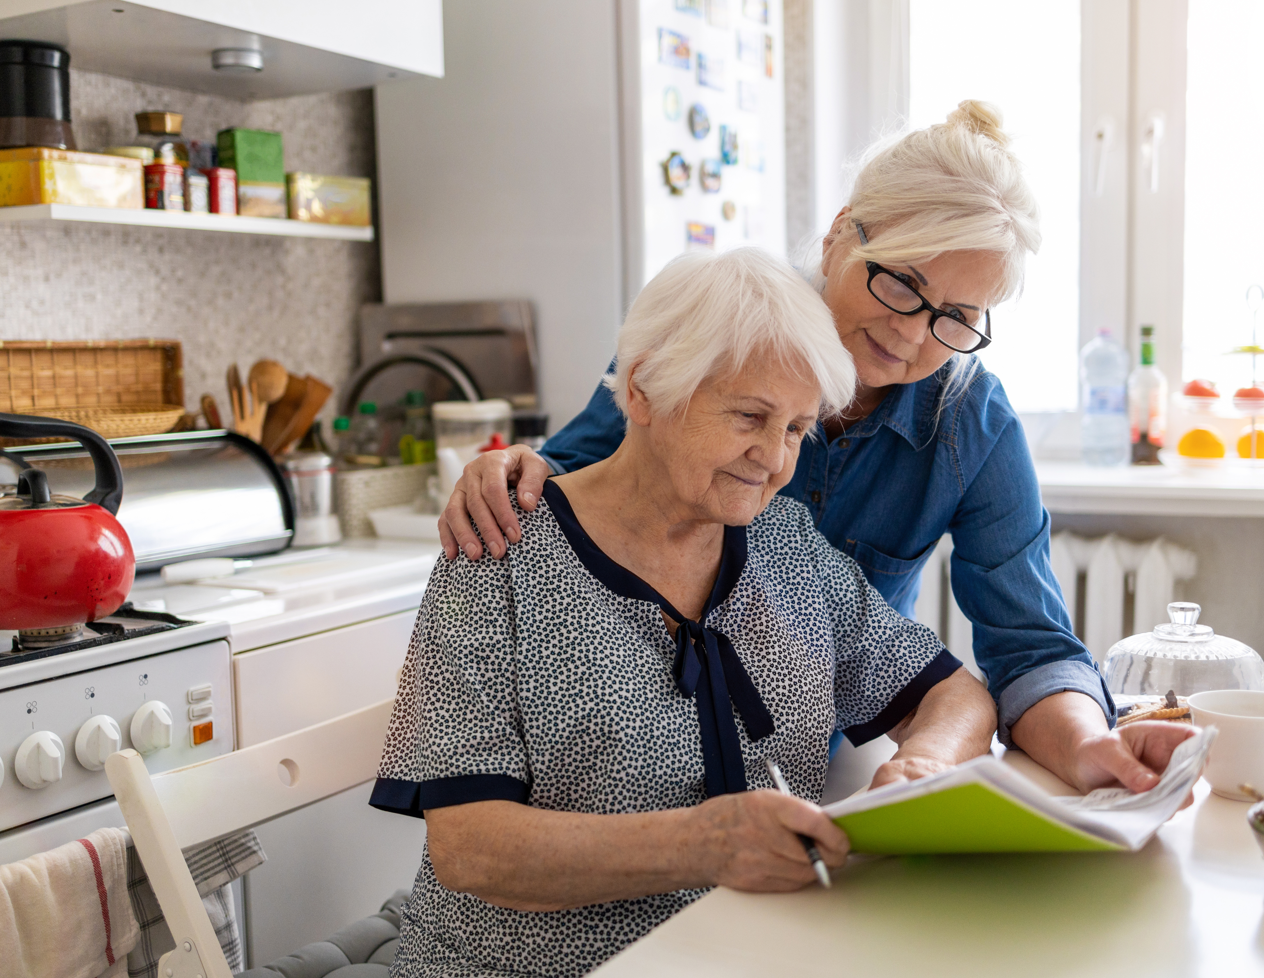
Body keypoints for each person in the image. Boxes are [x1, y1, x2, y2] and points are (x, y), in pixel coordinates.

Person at [438, 101, 1194, 795]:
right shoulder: (715, 333)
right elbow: (572, 484)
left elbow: (1030, 649)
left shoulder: (972, 423)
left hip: (812, 763)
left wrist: (1091, 746)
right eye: (902, 282)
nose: (910, 332)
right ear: (841, 235)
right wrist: (509, 469)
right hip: (626, 764)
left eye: (956, 316)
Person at [371, 248, 1002, 977]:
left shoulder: (784, 543)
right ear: (643, 391)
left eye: (797, 429)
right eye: (749, 416)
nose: (772, 459)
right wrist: (701, 845)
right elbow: (470, 848)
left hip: (746, 957)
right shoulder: (500, 552)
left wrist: (920, 767)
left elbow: (954, 694)